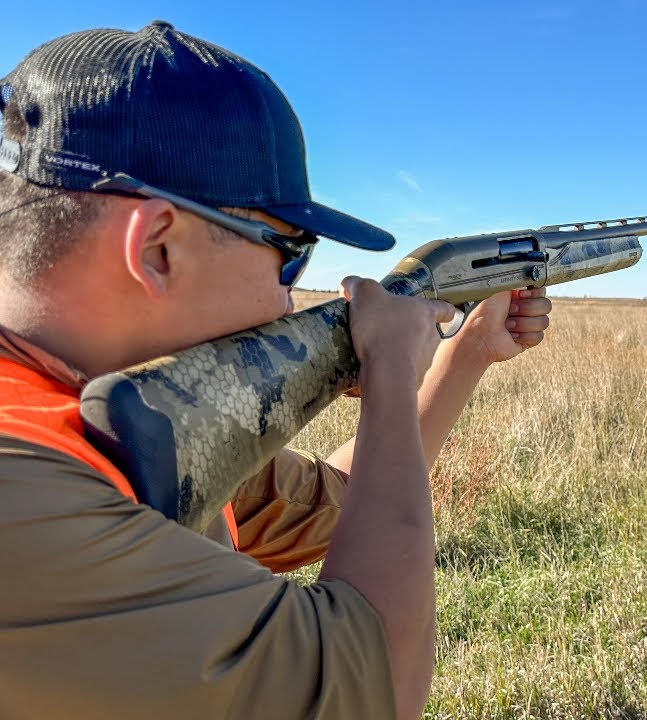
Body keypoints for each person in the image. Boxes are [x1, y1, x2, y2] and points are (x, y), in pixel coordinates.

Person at [0, 21, 551, 719]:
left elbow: (336, 505)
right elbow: (374, 688)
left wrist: (463, 354)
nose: (290, 300)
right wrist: (386, 372)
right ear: (159, 248)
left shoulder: (128, 416)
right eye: (290, 254)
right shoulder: (26, 501)